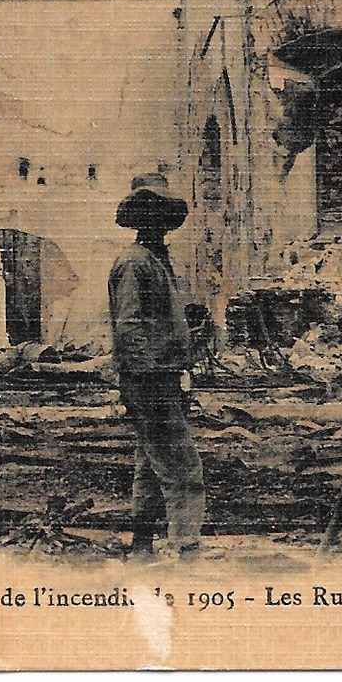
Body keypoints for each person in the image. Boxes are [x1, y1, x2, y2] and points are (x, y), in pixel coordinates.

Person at [109, 173, 206, 558]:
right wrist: (146, 379)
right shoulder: (135, 263)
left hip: (165, 376)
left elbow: (166, 319)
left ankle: (142, 545)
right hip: (150, 379)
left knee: (150, 465)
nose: (158, 222)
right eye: (149, 213)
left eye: (163, 214)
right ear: (138, 218)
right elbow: (129, 325)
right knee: (184, 468)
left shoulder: (159, 262)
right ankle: (187, 550)